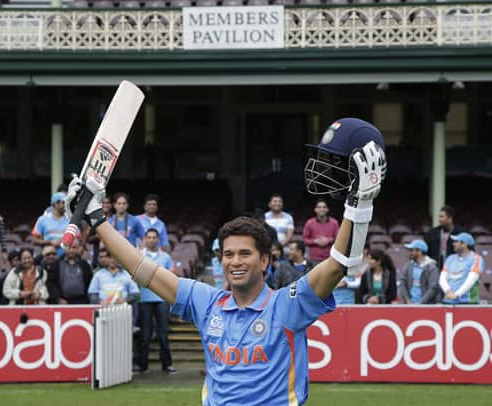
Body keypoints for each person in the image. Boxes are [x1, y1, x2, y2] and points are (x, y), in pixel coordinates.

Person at [64, 116, 386, 405]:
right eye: (228, 254)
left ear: (264, 261)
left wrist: (359, 204)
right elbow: (142, 269)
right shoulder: (208, 303)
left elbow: (336, 266)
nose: (234, 261)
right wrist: (97, 220)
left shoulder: (287, 306)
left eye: (245, 254)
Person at [135, 228, 177, 374]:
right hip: (145, 299)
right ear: (145, 239)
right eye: (149, 237)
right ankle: (142, 366)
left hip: (161, 298)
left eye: (154, 237)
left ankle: (167, 365)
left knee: (163, 333)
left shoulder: (165, 257)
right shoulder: (139, 256)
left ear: (158, 240)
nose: (152, 240)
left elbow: (171, 277)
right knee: (145, 334)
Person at [439, 232, 483, 304]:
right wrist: (448, 291)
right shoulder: (450, 258)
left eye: (456, 242)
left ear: (464, 244)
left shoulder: (476, 258)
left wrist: (457, 295)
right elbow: (442, 279)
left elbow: (471, 280)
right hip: (448, 301)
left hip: (468, 302)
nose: (453, 244)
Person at [47, 239, 92, 305]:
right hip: (62, 302)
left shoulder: (85, 265)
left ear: (77, 248)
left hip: (81, 301)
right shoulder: (56, 264)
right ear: (64, 248)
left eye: (73, 247)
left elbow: (89, 282)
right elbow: (51, 283)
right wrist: (58, 299)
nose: (71, 250)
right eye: (69, 247)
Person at [398, 239, 441, 304]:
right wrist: (407, 300)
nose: (410, 253)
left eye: (412, 250)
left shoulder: (432, 268)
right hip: (409, 304)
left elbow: (433, 288)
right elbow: (402, 283)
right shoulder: (408, 266)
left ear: (419, 251)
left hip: (427, 306)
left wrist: (421, 303)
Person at [32, 192, 69, 256]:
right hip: (49, 256)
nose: (66, 204)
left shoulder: (70, 219)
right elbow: (34, 240)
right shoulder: (42, 219)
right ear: (55, 204)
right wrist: (50, 242)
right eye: (63, 202)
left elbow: (77, 239)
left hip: (67, 257)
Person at [302, 199, 339, 265]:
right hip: (313, 259)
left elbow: (338, 239)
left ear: (327, 209)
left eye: (324, 207)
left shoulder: (334, 223)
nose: (321, 209)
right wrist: (315, 241)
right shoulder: (309, 223)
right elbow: (305, 240)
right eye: (319, 207)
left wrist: (328, 240)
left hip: (330, 258)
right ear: (315, 209)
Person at [427, 205, 464, 270]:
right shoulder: (432, 233)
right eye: (439, 217)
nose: (439, 219)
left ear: (450, 218)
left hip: (455, 269)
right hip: (435, 269)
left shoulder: (461, 233)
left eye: (442, 217)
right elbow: (427, 252)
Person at [88, 196, 113, 268]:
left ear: (111, 205)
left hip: (113, 257)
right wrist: (98, 236)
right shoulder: (95, 220)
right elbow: (89, 239)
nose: (105, 205)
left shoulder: (115, 219)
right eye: (103, 203)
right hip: (98, 257)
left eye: (107, 203)